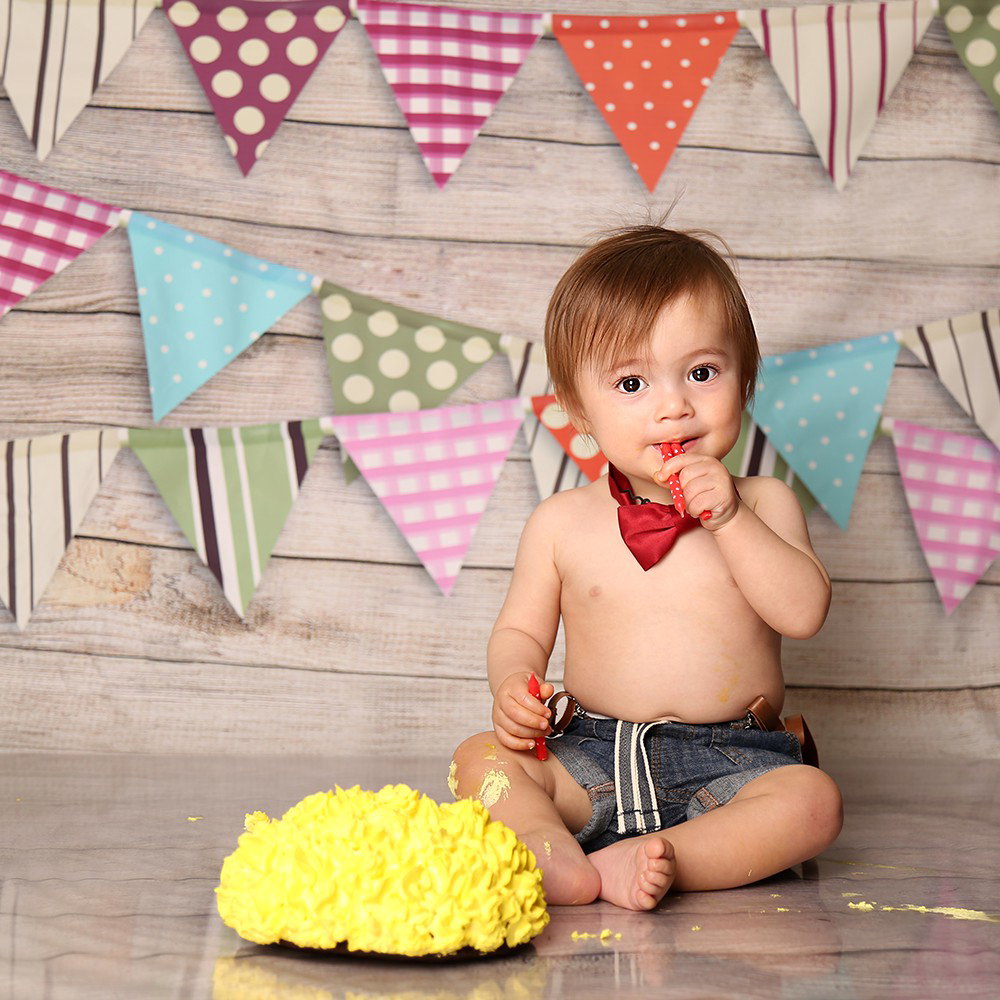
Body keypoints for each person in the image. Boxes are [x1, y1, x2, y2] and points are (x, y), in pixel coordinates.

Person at [451, 226, 843, 911]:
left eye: (702, 373)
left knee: (813, 803)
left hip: (732, 762)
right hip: (590, 753)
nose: (674, 406)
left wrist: (731, 521)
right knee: (477, 758)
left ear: (745, 379)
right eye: (632, 383)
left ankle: (667, 858)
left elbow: (804, 613)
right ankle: (549, 847)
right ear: (579, 411)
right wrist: (513, 684)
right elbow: (518, 633)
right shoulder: (561, 522)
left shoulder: (765, 502)